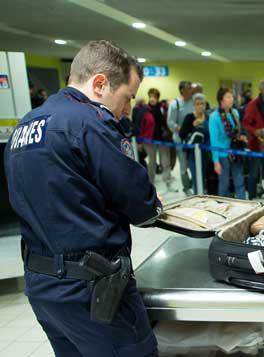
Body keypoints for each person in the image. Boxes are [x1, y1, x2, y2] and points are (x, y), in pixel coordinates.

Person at [4, 40, 162, 356]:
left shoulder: (26, 125)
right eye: (127, 97)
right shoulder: (92, 123)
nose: (128, 108)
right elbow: (142, 207)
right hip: (92, 290)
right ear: (100, 83)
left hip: (42, 284)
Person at [210, 88, 248, 199]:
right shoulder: (214, 117)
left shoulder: (235, 113)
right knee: (224, 184)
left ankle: (243, 205)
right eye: (228, 97)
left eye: (232, 96)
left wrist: (242, 137)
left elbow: (237, 131)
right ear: (221, 100)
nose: (231, 99)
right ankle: (222, 206)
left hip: (235, 151)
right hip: (222, 155)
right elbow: (214, 140)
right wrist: (216, 161)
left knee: (239, 181)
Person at [179, 93, 210, 195]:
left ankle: (204, 196)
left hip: (206, 153)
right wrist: (192, 126)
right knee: (196, 176)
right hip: (193, 153)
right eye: (198, 104)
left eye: (202, 104)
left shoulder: (208, 117)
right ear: (194, 105)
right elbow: (182, 134)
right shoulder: (189, 117)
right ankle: (197, 197)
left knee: (204, 176)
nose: (200, 106)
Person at [168, 80, 194, 195]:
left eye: (191, 88)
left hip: (192, 139)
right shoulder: (175, 104)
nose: (191, 90)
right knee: (183, 165)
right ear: (182, 90)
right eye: (188, 88)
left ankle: (194, 184)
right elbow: (170, 122)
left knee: (193, 163)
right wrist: (181, 129)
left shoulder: (193, 102)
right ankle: (186, 187)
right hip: (180, 139)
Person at [147, 88, 175, 191]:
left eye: (154, 96)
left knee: (165, 161)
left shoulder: (162, 107)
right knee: (152, 162)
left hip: (162, 138)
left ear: (157, 98)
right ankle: (150, 183)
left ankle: (168, 181)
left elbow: (165, 121)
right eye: (150, 96)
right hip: (150, 139)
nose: (152, 98)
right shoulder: (146, 109)